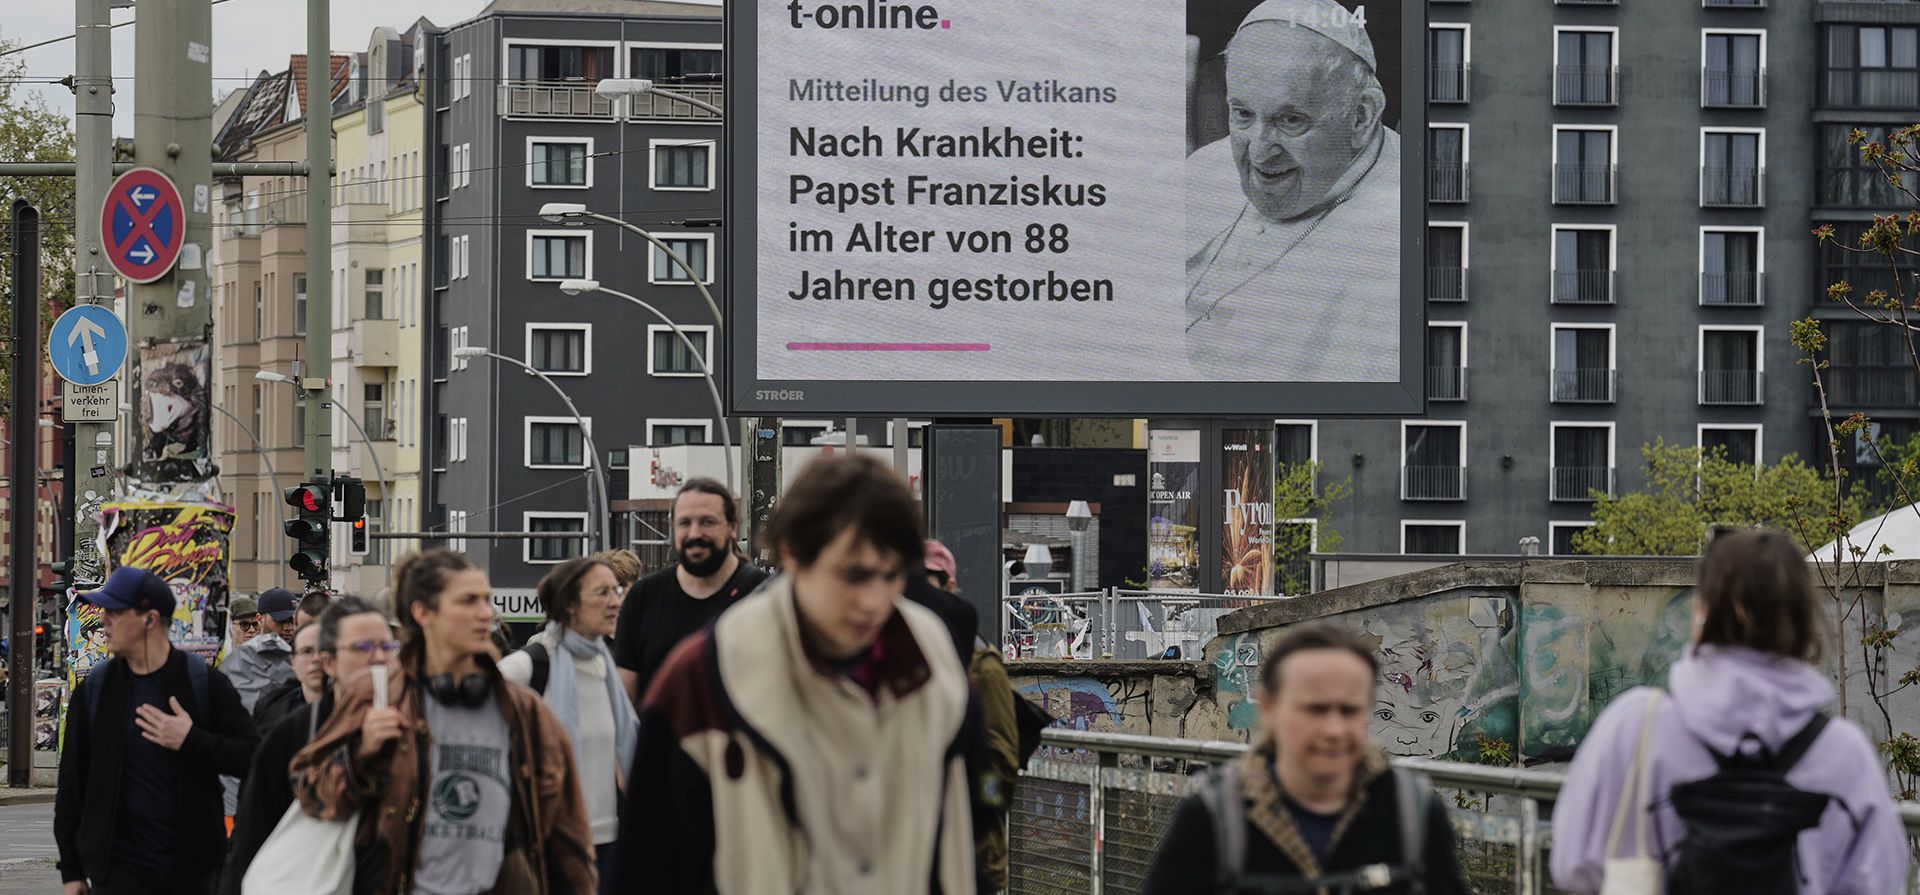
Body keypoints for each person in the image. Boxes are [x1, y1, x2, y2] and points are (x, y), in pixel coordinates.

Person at [613, 455, 977, 893]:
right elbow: (649, 866)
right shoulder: (701, 680)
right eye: (853, 575)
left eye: (891, 575)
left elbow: (962, 839)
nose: (874, 601)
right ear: (795, 557)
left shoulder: (935, 668)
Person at [1550, 529, 1907, 893]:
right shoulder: (1844, 754)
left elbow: (1571, 864)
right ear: (1805, 620)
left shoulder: (1636, 727)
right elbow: (1881, 880)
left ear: (1703, 611)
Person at [290, 550, 595, 894]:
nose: (486, 613)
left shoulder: (524, 711)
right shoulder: (376, 695)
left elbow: (569, 837)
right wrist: (360, 756)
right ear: (423, 613)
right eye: (468, 601)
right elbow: (310, 790)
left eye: (486, 600)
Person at [1142, 622, 1465, 895]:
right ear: (1268, 709)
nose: (1334, 729)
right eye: (1315, 709)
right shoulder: (1214, 818)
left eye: (1349, 710)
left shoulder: (1413, 814)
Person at [1183, 0, 1400, 383]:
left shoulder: (1398, 240)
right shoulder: (1204, 169)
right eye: (1243, 114)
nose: (1258, 151)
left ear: (1361, 117)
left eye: (1291, 120)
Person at [54, 566, 260, 895]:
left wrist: (192, 740)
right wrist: (72, 871)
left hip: (190, 872)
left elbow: (251, 755)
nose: (103, 620)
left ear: (149, 619)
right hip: (116, 873)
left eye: (115, 612)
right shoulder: (95, 691)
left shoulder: (202, 683)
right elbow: (72, 788)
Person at [222, 596, 394, 895]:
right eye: (363, 648)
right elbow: (252, 835)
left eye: (388, 647)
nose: (378, 658)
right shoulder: (292, 733)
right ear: (330, 662)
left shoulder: (412, 725)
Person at [500, 556, 639, 883]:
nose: (615, 602)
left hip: (607, 837)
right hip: (551, 840)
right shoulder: (532, 664)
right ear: (570, 604)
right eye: (602, 593)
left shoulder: (604, 665)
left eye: (616, 591)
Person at [613, 478, 768, 704]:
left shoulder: (763, 595)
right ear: (672, 526)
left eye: (707, 522)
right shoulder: (643, 597)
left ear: (732, 527)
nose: (695, 533)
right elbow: (625, 704)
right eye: (685, 523)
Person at [927, 539, 1019, 893]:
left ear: (949, 584)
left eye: (928, 578)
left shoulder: (983, 665)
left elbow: (1002, 760)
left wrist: (983, 805)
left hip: (974, 848)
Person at [225, 588, 296, 712]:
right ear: (260, 618)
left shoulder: (304, 652)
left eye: (292, 620)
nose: (288, 627)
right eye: (280, 620)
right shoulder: (243, 658)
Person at [249, 620, 322, 734]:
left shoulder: (352, 709)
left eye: (323, 650)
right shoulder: (270, 708)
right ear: (293, 661)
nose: (316, 659)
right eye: (307, 651)